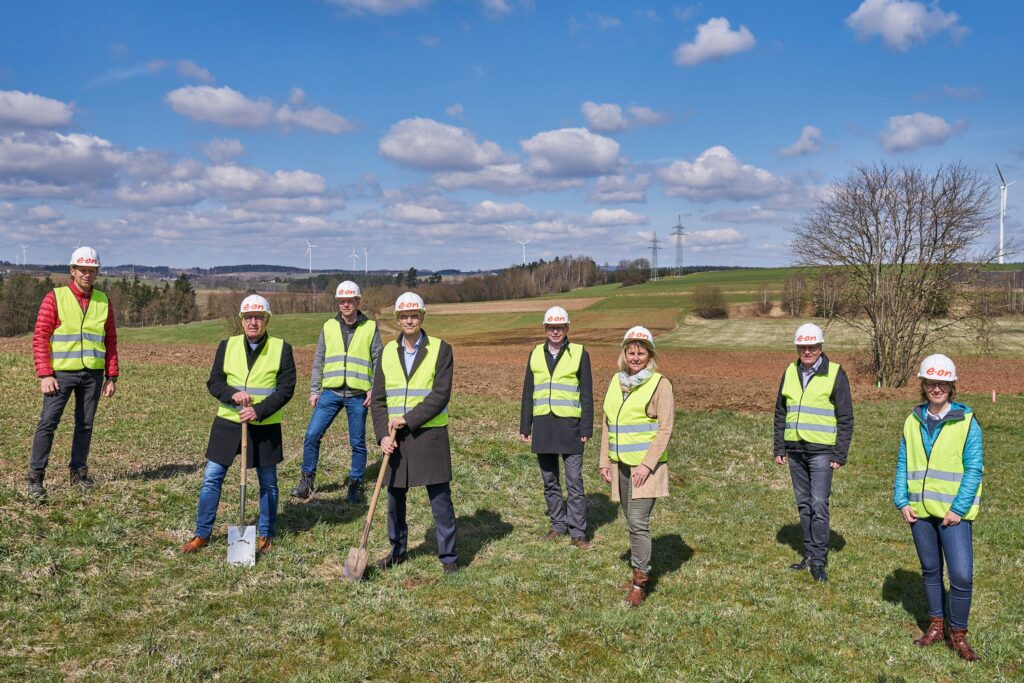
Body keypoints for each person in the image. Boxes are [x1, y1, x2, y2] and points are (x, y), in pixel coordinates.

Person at [181, 295, 295, 555]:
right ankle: (202, 534)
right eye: (248, 318)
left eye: (258, 318)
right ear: (241, 320)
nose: (253, 322)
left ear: (266, 320)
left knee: (268, 482)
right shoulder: (227, 345)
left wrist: (258, 410)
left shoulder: (281, 348)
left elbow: (286, 389)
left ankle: (266, 534)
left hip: (264, 425)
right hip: (228, 423)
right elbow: (214, 382)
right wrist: (232, 395)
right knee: (211, 477)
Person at [893, 354, 983, 662]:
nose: (936, 388)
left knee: (961, 576)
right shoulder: (912, 420)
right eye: (931, 382)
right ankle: (935, 625)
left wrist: (958, 509)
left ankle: (957, 635)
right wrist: (901, 500)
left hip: (952, 515)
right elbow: (903, 462)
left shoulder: (967, 421)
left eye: (942, 383)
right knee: (931, 571)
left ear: (951, 385)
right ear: (923, 384)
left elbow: (974, 469)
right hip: (919, 511)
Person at [370, 292, 458, 574]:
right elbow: (379, 399)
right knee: (395, 497)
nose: (409, 320)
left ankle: (449, 557)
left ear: (422, 317)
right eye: (404, 315)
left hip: (429, 434)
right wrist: (382, 436)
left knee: (440, 497)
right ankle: (397, 550)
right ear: (398, 319)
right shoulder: (386, 353)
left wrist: (408, 419)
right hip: (395, 438)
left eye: (414, 315)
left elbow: (440, 395)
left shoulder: (441, 349)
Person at [27, 246, 118, 499]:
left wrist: (112, 376)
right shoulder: (55, 297)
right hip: (60, 375)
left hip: (92, 374)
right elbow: (40, 337)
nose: (87, 275)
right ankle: (35, 477)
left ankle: (79, 474)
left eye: (92, 270)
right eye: (83, 270)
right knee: (48, 424)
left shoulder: (103, 300)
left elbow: (110, 339)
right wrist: (45, 374)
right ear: (72, 270)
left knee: (85, 425)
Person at [599, 326, 674, 606]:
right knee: (630, 520)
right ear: (624, 353)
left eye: (641, 351)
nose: (635, 356)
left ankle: (639, 583)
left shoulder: (659, 384)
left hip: (645, 469)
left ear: (650, 354)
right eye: (631, 351)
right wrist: (604, 460)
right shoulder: (615, 382)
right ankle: (638, 570)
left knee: (638, 522)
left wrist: (646, 465)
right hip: (621, 466)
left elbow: (665, 429)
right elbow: (608, 422)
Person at [773, 323, 853, 582]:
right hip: (794, 449)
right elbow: (780, 412)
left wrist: (840, 453)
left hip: (821, 451)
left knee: (819, 504)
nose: (807, 351)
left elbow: (846, 417)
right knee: (804, 504)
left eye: (812, 347)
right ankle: (808, 554)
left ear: (820, 347)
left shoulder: (836, 374)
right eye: (803, 347)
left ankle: (819, 560)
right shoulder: (789, 371)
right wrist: (779, 446)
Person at [291, 280, 382, 503]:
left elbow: (380, 360)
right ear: (338, 302)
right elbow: (318, 359)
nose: (346, 304)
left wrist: (375, 389)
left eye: (350, 301)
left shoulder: (370, 327)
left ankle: (355, 483)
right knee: (312, 434)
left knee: (357, 442)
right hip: (330, 393)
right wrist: (314, 390)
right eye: (342, 301)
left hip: (358, 394)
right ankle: (307, 481)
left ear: (358, 301)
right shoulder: (328, 326)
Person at [519, 306, 595, 549]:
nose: (555, 331)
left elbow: (586, 394)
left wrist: (586, 428)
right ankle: (558, 525)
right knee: (550, 480)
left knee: (574, 480)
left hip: (570, 426)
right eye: (551, 327)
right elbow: (528, 393)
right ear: (545, 328)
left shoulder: (580, 354)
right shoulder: (534, 354)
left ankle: (578, 532)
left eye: (560, 327)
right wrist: (525, 425)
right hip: (543, 426)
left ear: (567, 329)